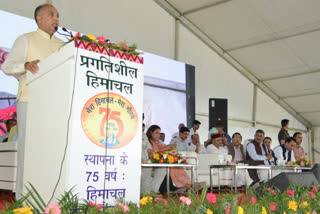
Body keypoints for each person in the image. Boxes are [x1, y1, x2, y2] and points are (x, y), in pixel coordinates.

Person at [2, 4, 64, 197]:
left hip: (55, 104)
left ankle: (48, 198)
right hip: (30, 99)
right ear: (39, 19)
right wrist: (26, 65)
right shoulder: (26, 39)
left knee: (51, 152)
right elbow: (7, 66)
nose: (56, 19)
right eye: (51, 15)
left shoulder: (63, 46)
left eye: (58, 16)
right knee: (28, 152)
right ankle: (22, 199)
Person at [147, 125, 190, 194]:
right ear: (151, 133)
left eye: (159, 133)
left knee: (175, 164)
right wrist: (165, 149)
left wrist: (170, 147)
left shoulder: (158, 142)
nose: (158, 135)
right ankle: (179, 187)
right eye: (156, 133)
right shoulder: (148, 141)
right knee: (169, 167)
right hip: (151, 165)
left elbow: (164, 148)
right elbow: (152, 154)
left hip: (160, 164)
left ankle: (184, 185)